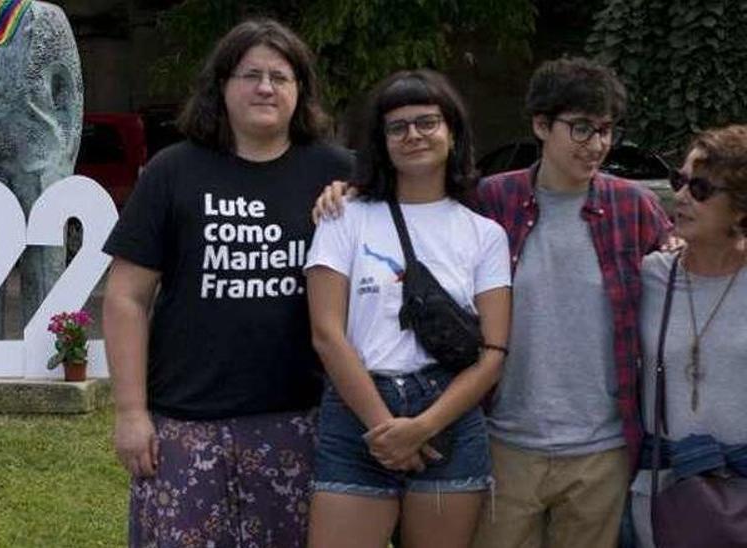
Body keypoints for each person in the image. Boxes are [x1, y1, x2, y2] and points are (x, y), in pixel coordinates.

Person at [314, 58, 671, 548]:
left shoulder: (636, 208)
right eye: (582, 128)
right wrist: (349, 190)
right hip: (506, 437)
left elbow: (687, 269)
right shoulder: (493, 202)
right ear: (541, 125)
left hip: (602, 447)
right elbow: (416, 206)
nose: (597, 144)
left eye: (607, 130)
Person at [102, 18, 352, 546]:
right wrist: (130, 413)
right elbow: (126, 297)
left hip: (300, 422)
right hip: (184, 425)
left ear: (300, 90)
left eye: (281, 77)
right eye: (251, 75)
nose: (266, 87)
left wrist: (354, 200)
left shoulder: (340, 173)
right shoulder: (173, 171)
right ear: (222, 86)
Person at [304, 69, 511, 548]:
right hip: (357, 409)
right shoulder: (344, 216)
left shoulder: (485, 235)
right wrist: (384, 427)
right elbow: (326, 334)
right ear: (381, 141)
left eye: (427, 122)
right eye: (397, 127)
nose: (413, 135)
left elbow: (495, 350)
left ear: (452, 132)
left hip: (449, 416)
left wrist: (422, 427)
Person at [630, 125, 747, 547]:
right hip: (667, 493)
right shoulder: (651, 275)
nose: (680, 196)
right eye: (679, 181)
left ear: (740, 207)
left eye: (699, 188)